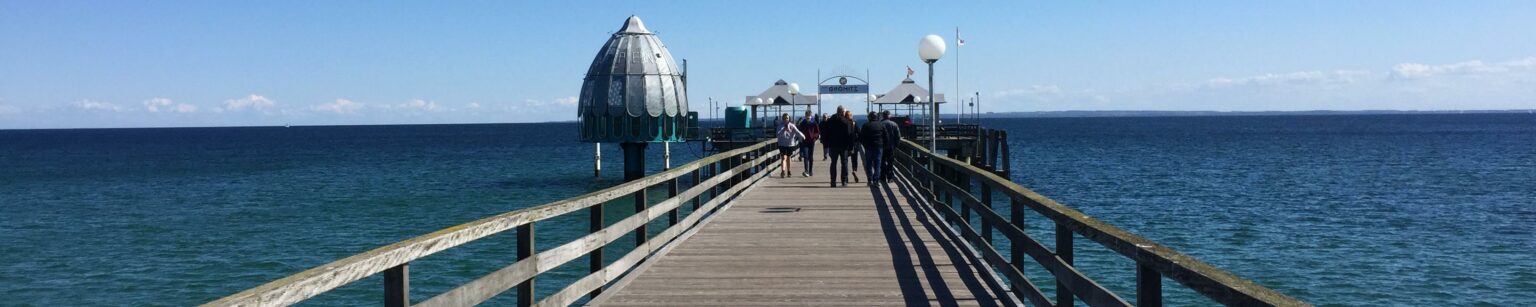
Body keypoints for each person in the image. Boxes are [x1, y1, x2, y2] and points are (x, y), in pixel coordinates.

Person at [821, 106, 856, 187]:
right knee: (844, 163)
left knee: (833, 163)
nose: (845, 113)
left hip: (833, 145)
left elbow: (825, 132)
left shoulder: (830, 120)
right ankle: (844, 181)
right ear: (842, 112)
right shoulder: (847, 122)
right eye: (844, 112)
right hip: (844, 146)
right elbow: (850, 136)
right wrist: (851, 147)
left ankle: (833, 181)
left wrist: (826, 144)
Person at [859, 111, 886, 184]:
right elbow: (886, 137)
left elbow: (861, 138)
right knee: (878, 163)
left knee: (869, 163)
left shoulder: (865, 125)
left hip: (868, 147)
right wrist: (883, 145)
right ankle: (876, 179)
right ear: (876, 117)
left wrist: (865, 145)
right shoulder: (881, 125)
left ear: (869, 118)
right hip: (879, 147)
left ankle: (869, 178)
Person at [775, 113, 804, 178]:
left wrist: (803, 136)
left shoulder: (792, 125)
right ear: (782, 119)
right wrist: (783, 130)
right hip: (782, 144)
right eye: (784, 118)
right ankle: (783, 171)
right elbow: (777, 135)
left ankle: (789, 171)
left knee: (788, 158)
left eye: (787, 118)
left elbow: (798, 132)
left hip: (790, 144)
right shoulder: (780, 126)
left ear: (789, 119)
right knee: (783, 158)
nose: (786, 119)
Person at [879, 110, 902, 182]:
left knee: (882, 162)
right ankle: (890, 177)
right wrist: (896, 145)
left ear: (883, 116)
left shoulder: (880, 124)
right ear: (889, 116)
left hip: (881, 146)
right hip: (891, 147)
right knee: (890, 162)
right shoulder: (894, 124)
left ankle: (883, 177)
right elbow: (898, 136)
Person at [796, 110, 820, 177]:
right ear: (805, 116)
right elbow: (799, 131)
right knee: (806, 156)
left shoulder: (814, 122)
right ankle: (806, 170)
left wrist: (814, 138)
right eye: (806, 117)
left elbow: (817, 132)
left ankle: (810, 170)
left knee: (810, 157)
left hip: (811, 141)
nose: (808, 118)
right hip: (805, 141)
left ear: (811, 116)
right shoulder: (803, 122)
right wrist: (800, 137)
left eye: (809, 117)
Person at [844, 110, 861, 183]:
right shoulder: (854, 123)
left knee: (845, 161)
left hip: (845, 145)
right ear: (851, 116)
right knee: (854, 160)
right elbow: (859, 133)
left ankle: (846, 176)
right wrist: (857, 141)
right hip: (854, 145)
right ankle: (854, 170)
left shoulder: (844, 123)